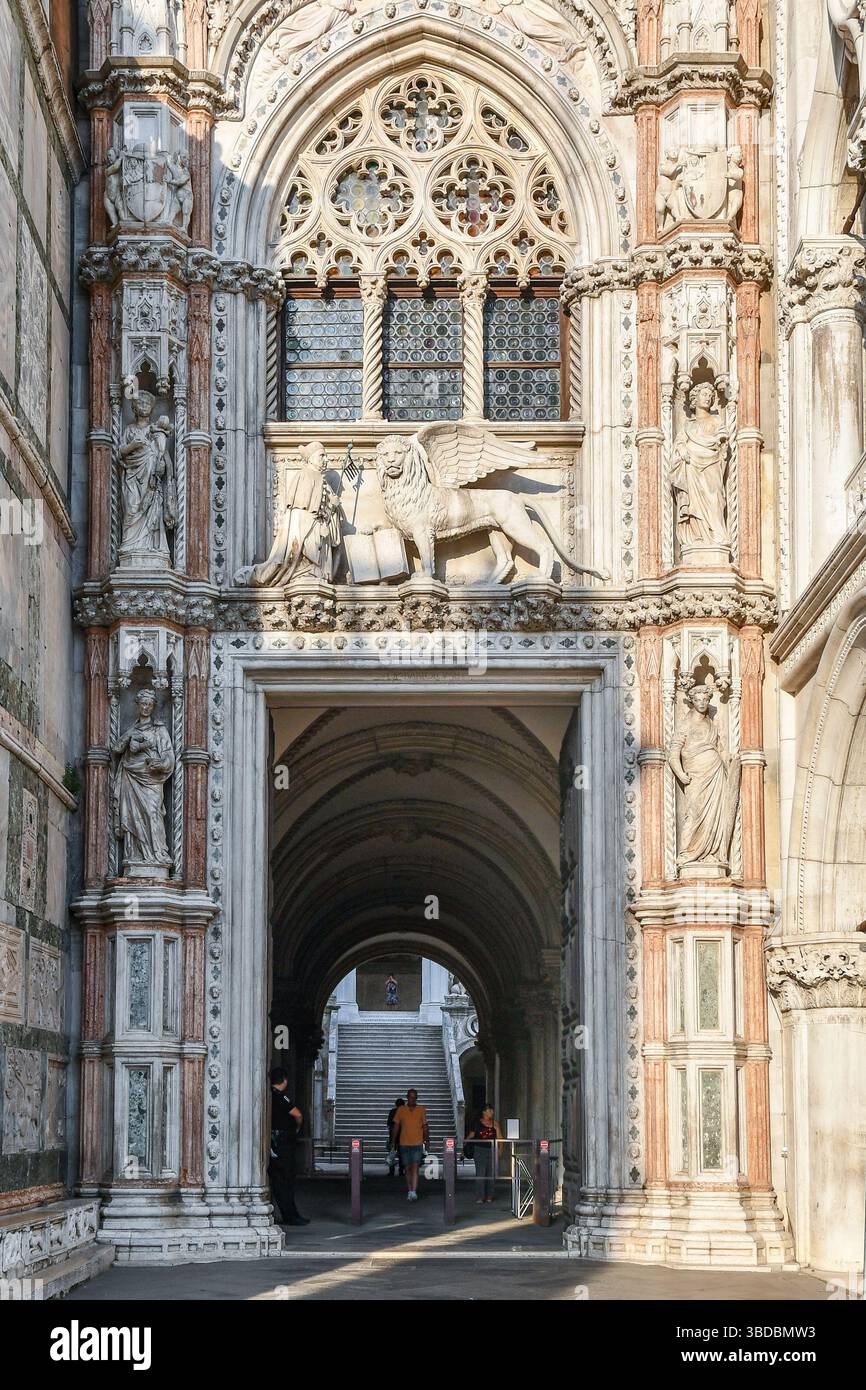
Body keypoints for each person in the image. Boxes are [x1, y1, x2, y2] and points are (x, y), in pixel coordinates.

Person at [268, 1066, 310, 1227]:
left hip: (274, 1142)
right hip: (282, 1143)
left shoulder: (269, 1095)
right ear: (284, 1080)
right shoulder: (280, 1097)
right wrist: (298, 1127)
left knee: (280, 1180)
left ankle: (291, 1214)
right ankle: (291, 1215)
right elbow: (297, 1114)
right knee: (284, 1180)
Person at [390, 1088, 428, 1201]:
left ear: (416, 1098)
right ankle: (410, 1189)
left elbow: (425, 1125)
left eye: (414, 1097)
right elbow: (396, 1126)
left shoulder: (421, 1109)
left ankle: (413, 1191)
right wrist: (393, 1141)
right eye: (410, 1097)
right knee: (407, 1168)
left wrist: (427, 1139)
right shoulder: (401, 1110)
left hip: (417, 1143)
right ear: (407, 1097)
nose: (412, 1099)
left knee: (415, 1168)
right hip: (404, 1143)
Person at [465, 1104, 502, 1204]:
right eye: (490, 1111)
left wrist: (500, 1149)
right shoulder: (477, 1123)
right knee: (480, 1173)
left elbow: (500, 1138)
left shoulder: (495, 1124)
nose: (492, 1112)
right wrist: (464, 1145)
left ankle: (489, 1195)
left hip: (492, 1149)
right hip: (479, 1149)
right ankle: (480, 1196)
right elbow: (471, 1135)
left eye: (492, 1111)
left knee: (491, 1173)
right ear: (484, 1112)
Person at [386, 1096, 405, 1177]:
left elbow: (388, 1123)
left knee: (391, 1154)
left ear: (396, 1104)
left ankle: (391, 1171)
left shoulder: (392, 1111)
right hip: (403, 1137)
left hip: (393, 1137)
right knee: (402, 1155)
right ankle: (401, 1171)